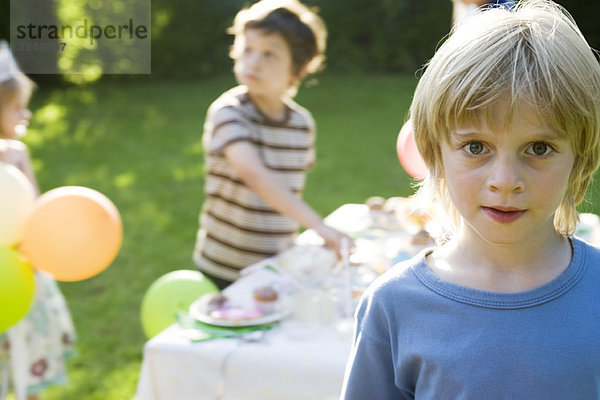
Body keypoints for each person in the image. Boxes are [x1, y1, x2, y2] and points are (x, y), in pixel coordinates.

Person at [341, 1, 600, 398]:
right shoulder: (394, 307)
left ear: (580, 158)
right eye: (476, 146)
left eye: (540, 148)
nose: (505, 181)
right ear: (434, 152)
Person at [192, 0, 347, 289]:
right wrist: (320, 227)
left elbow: (287, 188)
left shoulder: (302, 125)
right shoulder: (228, 112)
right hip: (225, 265)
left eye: (269, 54)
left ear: (296, 70)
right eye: (247, 50)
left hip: (277, 263)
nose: (253, 62)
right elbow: (255, 175)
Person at [0, 41, 76, 400]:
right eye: (17, 108)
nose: (25, 116)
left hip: (22, 278)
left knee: (30, 362)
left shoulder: (15, 155)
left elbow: (34, 208)